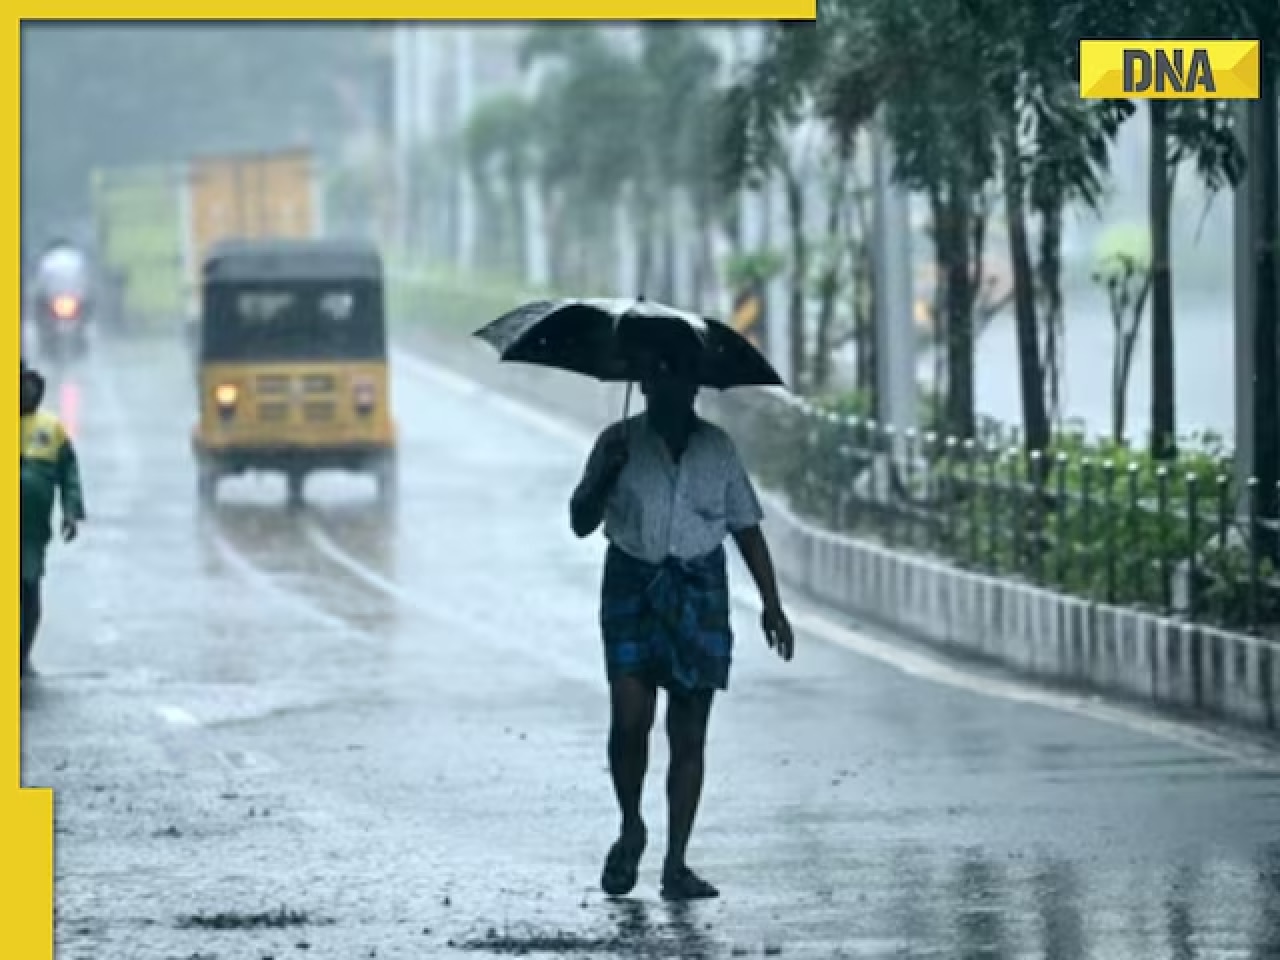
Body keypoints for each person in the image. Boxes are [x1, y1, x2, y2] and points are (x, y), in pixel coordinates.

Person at [569, 347, 795, 901]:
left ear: (695, 387)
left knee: (688, 733)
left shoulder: (718, 449)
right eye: (658, 376)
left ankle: (676, 864)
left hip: (700, 592)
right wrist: (604, 474)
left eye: (679, 378)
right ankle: (631, 826)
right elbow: (579, 521)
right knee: (629, 719)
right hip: (631, 585)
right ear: (643, 384)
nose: (668, 388)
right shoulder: (617, 442)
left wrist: (772, 603)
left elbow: (746, 529)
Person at [20, 360, 85, 676]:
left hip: (31, 531)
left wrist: (71, 513)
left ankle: (22, 653)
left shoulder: (51, 428)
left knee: (28, 587)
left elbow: (68, 472)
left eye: (30, 385)